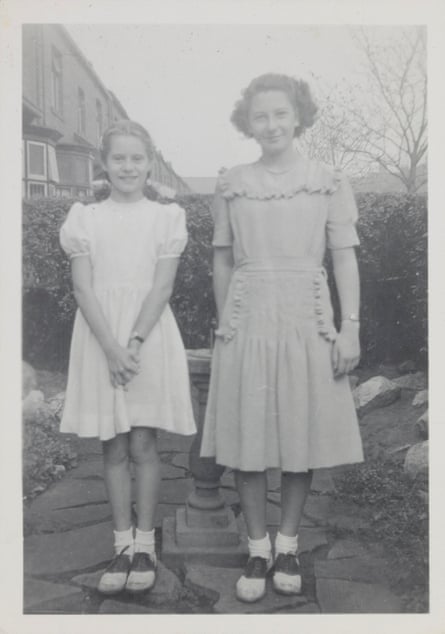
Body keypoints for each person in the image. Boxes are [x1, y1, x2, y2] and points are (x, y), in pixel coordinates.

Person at [200, 73, 363, 603]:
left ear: (298, 117)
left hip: (307, 316)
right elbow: (222, 258)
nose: (270, 124)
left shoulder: (329, 180)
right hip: (249, 316)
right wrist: (226, 320)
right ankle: (257, 546)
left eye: (279, 114)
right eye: (260, 116)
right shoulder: (231, 183)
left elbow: (343, 257)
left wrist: (349, 327)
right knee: (248, 437)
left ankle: (288, 543)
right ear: (248, 123)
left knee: (299, 435)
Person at [59, 120, 195, 595]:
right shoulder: (85, 218)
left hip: (148, 335)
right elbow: (82, 287)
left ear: (150, 162)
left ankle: (145, 547)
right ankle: (121, 544)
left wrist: (133, 343)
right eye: (119, 158)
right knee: (112, 447)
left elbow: (162, 286)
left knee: (143, 444)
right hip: (100, 338)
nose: (128, 167)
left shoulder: (165, 217)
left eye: (137, 158)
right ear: (104, 164)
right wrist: (112, 348)